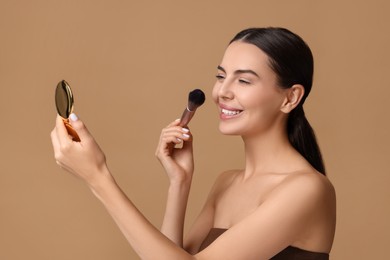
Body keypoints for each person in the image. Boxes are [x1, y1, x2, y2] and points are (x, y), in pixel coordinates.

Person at [51, 27, 336, 259]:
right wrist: (180, 183)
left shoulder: (307, 190)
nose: (222, 92)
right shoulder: (226, 183)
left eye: (244, 81)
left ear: (290, 98)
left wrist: (98, 177)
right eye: (221, 76)